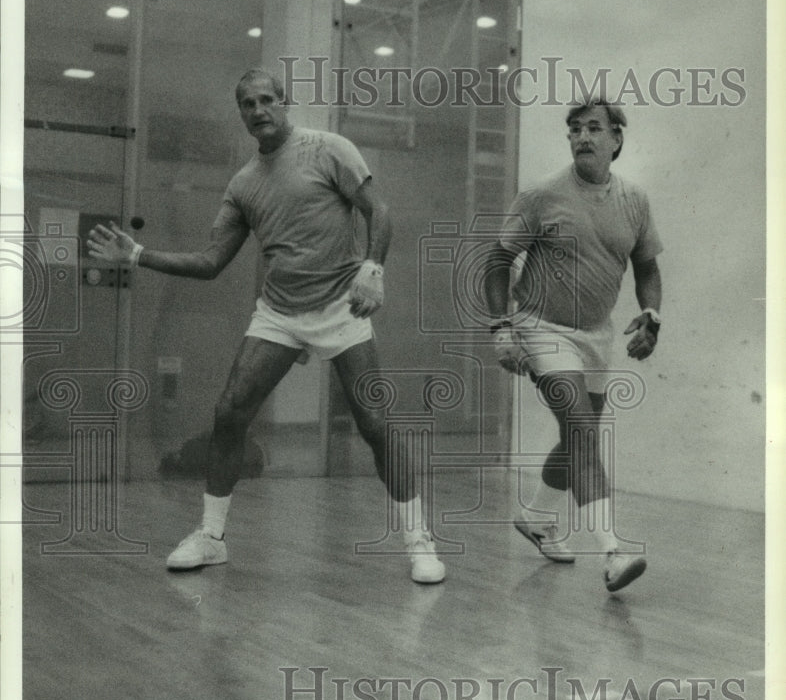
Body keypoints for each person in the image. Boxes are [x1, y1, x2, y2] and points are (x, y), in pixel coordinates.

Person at [87, 67, 445, 584]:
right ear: (242, 115)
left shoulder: (329, 149)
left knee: (374, 425)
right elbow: (211, 262)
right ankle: (211, 538)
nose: (258, 111)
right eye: (247, 105)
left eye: (265, 100)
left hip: (342, 308)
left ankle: (419, 541)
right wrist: (139, 254)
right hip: (279, 313)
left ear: (285, 101)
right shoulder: (244, 184)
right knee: (229, 412)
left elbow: (379, 209)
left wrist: (373, 267)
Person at [483, 99, 663, 592]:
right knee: (582, 428)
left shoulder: (634, 200)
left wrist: (652, 316)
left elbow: (646, 266)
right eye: (575, 129)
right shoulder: (542, 196)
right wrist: (501, 329)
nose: (583, 137)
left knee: (575, 436)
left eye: (594, 129)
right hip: (540, 326)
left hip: (597, 334)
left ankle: (538, 516)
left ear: (616, 139)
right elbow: (498, 262)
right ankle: (613, 552)